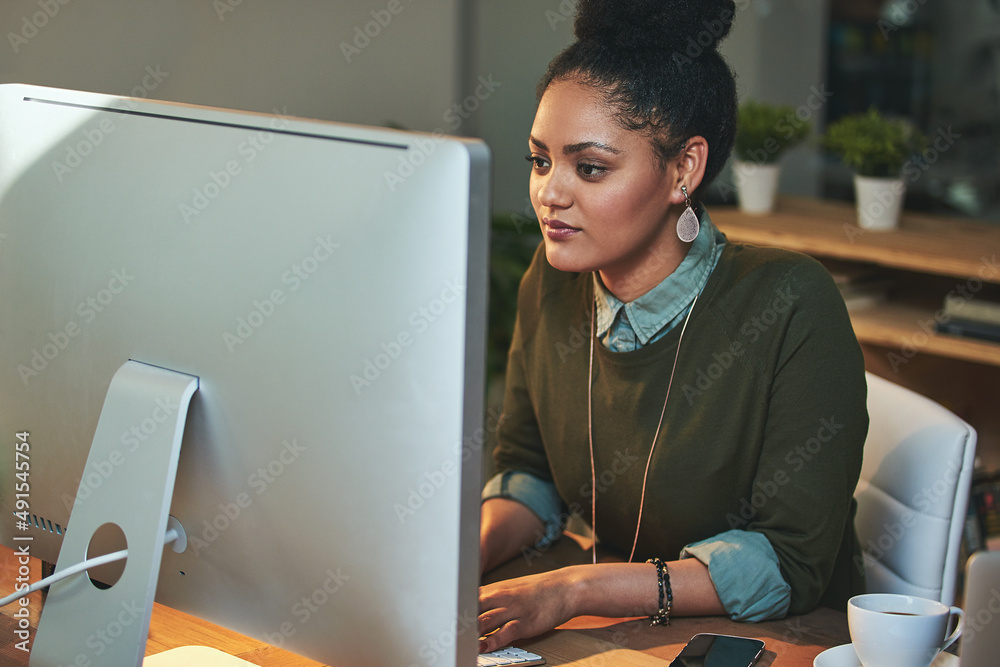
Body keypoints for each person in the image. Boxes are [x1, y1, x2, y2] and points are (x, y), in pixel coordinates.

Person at [477, 0, 869, 654]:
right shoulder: (549, 284)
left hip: (774, 642)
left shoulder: (791, 304)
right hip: (624, 634)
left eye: (590, 167)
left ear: (683, 169)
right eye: (540, 160)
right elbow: (529, 473)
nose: (550, 192)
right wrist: (465, 557)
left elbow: (789, 562)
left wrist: (576, 589)